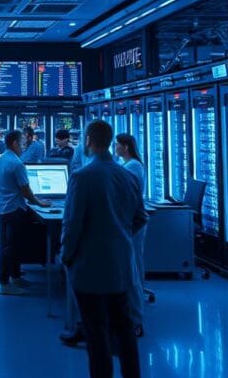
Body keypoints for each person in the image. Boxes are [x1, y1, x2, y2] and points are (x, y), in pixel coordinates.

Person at [61, 120, 146, 378]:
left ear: (88, 140)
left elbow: (72, 224)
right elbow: (141, 217)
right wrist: (119, 236)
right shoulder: (127, 175)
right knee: (124, 328)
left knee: (96, 334)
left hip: (89, 267)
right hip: (121, 265)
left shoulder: (81, 177)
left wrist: (66, 257)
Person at [0, 129, 50, 296]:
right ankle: (4, 283)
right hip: (14, 209)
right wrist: (40, 202)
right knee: (10, 246)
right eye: (22, 143)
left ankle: (15, 277)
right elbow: (26, 190)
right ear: (15, 143)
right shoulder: (17, 164)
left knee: (8, 244)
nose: (24, 147)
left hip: (1, 208)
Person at [115, 133, 148, 337]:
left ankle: (136, 319)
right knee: (133, 264)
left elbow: (127, 196)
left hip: (131, 223)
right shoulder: (128, 165)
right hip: (128, 221)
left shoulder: (133, 167)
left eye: (117, 145)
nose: (115, 148)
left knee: (133, 267)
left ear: (126, 147)